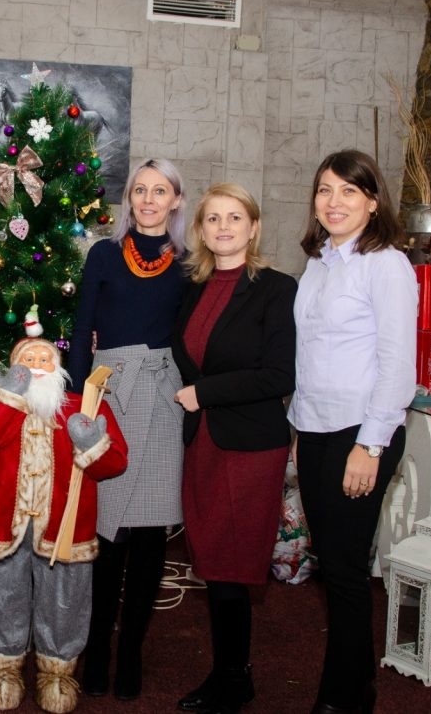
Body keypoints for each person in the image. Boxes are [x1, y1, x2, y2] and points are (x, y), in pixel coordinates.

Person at [289, 150, 416, 714]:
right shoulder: (319, 262)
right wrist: (300, 429)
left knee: (344, 572)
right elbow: (311, 356)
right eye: (324, 190)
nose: (333, 201)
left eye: (348, 191)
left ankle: (342, 699)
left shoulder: (386, 264)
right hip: (316, 428)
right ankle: (357, 681)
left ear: (373, 202)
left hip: (361, 433)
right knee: (332, 565)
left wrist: (370, 445)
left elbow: (398, 367)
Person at [170, 183, 297, 714]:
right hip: (203, 441)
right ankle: (229, 673)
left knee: (232, 564)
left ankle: (233, 678)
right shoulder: (193, 287)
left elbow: (279, 375)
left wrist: (205, 393)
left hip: (249, 447)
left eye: (235, 218)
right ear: (200, 230)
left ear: (254, 227)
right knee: (213, 561)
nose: (224, 227)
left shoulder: (276, 289)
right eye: (213, 219)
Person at [68, 158, 189, 700]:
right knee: (108, 530)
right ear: (129, 198)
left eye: (159, 191)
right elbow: (80, 330)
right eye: (140, 190)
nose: (148, 199)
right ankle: (97, 647)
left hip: (162, 395)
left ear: (176, 200)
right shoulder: (103, 253)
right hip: (109, 393)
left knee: (149, 533)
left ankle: (132, 649)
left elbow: (192, 338)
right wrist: (79, 402)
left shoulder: (189, 263)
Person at [0, 338, 129, 714]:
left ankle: (57, 674)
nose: (36, 365)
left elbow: (115, 462)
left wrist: (91, 443)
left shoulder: (83, 406)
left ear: (59, 369)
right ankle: (3, 670)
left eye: (44, 359)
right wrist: (9, 398)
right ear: (12, 366)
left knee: (65, 603)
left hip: (64, 530)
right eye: (27, 359)